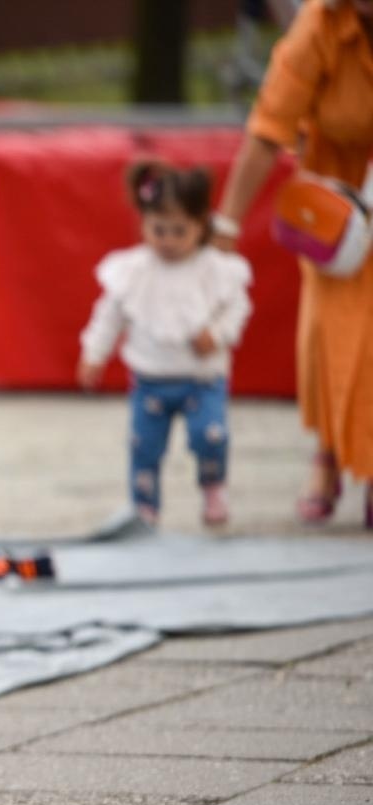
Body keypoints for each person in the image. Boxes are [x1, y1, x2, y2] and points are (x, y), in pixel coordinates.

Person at [212, 0, 373, 527]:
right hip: (337, 211)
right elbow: (268, 128)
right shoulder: (320, 25)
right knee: (339, 332)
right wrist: (227, 226)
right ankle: (329, 452)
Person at [77, 162, 254, 527]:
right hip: (149, 379)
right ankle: (145, 507)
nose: (168, 241)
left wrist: (217, 334)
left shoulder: (215, 268)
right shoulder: (134, 270)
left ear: (200, 226)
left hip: (202, 379)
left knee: (210, 437)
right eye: (159, 230)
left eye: (179, 231)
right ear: (143, 223)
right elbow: (109, 315)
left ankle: (212, 485)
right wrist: (94, 353)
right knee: (144, 447)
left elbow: (238, 307)